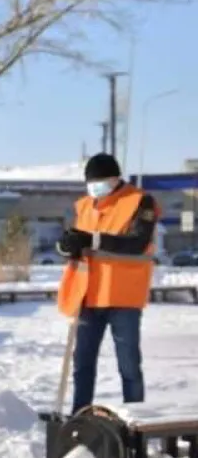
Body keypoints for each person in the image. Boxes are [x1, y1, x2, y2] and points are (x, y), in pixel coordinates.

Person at [56, 153, 160, 414]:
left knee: (128, 363)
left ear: (115, 179)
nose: (94, 186)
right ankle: (80, 415)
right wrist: (67, 246)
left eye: (100, 181)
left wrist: (93, 240)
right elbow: (80, 243)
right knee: (82, 362)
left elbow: (137, 242)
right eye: (90, 182)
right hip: (89, 293)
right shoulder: (84, 205)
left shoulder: (139, 201)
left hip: (123, 295)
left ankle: (136, 417)